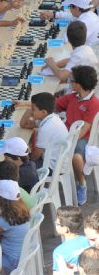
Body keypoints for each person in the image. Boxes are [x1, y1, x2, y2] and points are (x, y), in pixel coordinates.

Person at [55, 65, 99, 205]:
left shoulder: (93, 103)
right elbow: (51, 105)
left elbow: (83, 130)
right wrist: (27, 104)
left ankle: (81, 183)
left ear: (78, 85)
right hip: (67, 134)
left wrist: (67, 142)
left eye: (71, 80)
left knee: (76, 157)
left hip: (82, 139)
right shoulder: (72, 97)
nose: (69, 82)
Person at [17, 92, 68, 175]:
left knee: (18, 170)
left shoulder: (47, 128)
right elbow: (24, 124)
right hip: (55, 161)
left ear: (43, 112)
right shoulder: (50, 117)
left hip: (51, 167)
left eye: (34, 109)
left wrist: (25, 162)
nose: (32, 111)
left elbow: (36, 155)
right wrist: (30, 110)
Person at [0, 179, 30, 274]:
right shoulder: (21, 210)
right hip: (20, 256)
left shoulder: (5, 221)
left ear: (2, 199)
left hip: (11, 262)